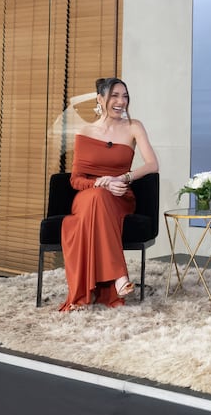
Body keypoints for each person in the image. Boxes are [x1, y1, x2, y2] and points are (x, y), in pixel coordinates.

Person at [58, 77, 159, 312]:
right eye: (115, 96)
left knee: (102, 199)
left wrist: (122, 178)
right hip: (88, 195)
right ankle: (118, 276)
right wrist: (100, 185)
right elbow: (76, 179)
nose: (121, 102)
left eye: (125, 96)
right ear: (100, 99)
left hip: (120, 196)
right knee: (97, 197)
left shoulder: (134, 126)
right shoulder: (85, 131)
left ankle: (105, 281)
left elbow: (152, 164)